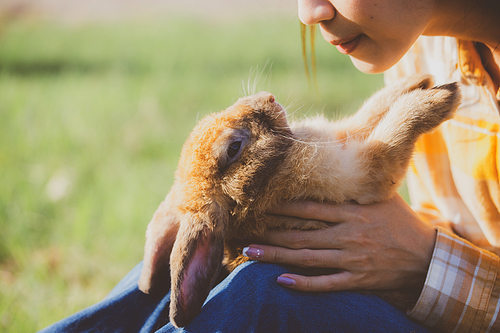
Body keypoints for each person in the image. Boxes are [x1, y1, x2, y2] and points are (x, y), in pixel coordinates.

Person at [40, 0, 500, 332]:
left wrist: (423, 263)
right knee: (161, 281)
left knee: (262, 287)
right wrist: (191, 204)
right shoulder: (422, 45)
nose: (308, 12)